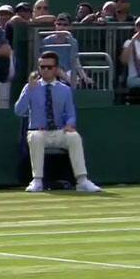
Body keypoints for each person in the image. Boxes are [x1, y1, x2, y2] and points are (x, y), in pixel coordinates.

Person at [14, 51, 102, 193]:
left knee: (74, 137)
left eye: (49, 67)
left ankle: (82, 180)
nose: (45, 70)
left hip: (59, 131)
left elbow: (71, 114)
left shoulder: (65, 90)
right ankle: (37, 181)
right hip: (38, 131)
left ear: (56, 69)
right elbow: (18, 111)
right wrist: (28, 91)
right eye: (42, 67)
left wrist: (70, 124)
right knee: (36, 137)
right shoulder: (30, 88)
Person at [39, 13, 90, 88]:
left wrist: (84, 77)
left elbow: (76, 61)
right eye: (59, 24)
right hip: (51, 70)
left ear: (70, 27)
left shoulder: (73, 41)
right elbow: (44, 61)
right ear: (55, 25)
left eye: (65, 25)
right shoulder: (46, 41)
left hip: (68, 72)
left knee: (80, 82)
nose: (61, 27)